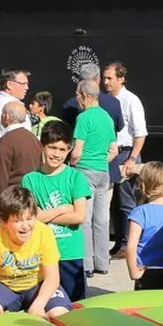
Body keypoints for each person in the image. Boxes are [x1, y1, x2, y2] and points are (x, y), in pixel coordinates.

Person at [0, 184, 73, 319]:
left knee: (59, 313)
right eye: (18, 221)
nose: (25, 226)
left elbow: (52, 277)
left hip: (37, 285)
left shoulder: (44, 233)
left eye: (29, 219)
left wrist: (38, 305)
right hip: (4, 286)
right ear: (4, 222)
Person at [21, 120, 92, 301]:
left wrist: (44, 215)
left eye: (62, 149)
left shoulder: (76, 177)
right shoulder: (30, 180)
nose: (56, 154)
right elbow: (32, 217)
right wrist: (62, 209)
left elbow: (79, 216)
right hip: (41, 253)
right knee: (44, 303)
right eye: (52, 148)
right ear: (41, 146)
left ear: (69, 150)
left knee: (75, 305)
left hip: (70, 253)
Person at [70, 79, 118, 278]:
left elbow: (77, 151)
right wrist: (100, 161)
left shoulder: (83, 118)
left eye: (77, 95)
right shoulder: (107, 117)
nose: (77, 99)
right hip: (103, 172)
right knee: (102, 218)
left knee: (85, 218)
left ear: (85, 96)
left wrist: (71, 164)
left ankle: (87, 263)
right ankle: (102, 262)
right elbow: (114, 150)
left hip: (84, 171)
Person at [102, 61, 148, 258]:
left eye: (110, 78)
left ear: (121, 79)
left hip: (126, 153)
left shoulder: (131, 101)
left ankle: (129, 244)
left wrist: (132, 159)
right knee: (113, 203)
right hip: (111, 154)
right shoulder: (105, 100)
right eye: (104, 78)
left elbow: (140, 133)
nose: (106, 82)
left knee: (126, 201)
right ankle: (119, 243)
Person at [125, 162, 163, 291]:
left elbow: (131, 247)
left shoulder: (140, 212)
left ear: (141, 185)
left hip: (147, 271)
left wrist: (134, 272)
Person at [0, 68, 32, 163]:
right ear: (9, 85)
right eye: (23, 84)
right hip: (13, 161)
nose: (27, 88)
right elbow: (20, 137)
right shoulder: (14, 106)